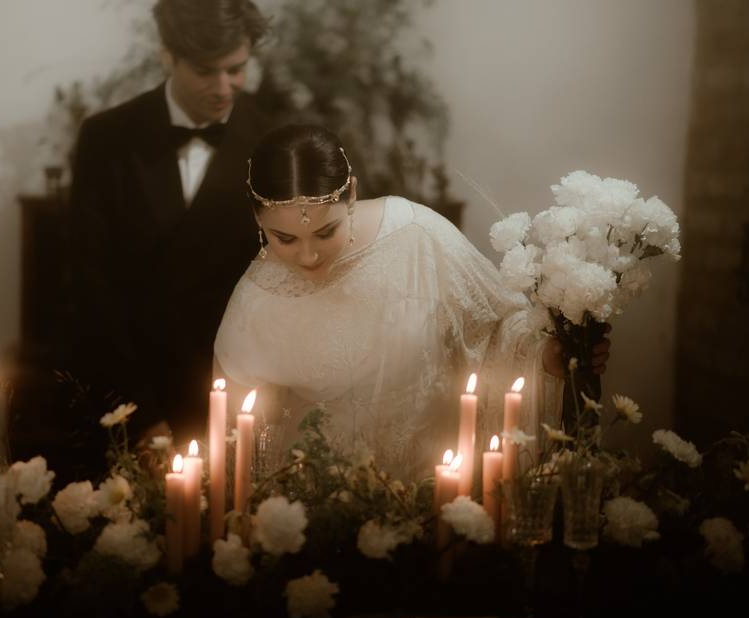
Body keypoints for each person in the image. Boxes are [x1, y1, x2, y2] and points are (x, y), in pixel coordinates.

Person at [214, 124, 610, 482]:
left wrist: (545, 357)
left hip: (434, 487)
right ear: (257, 217)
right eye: (284, 239)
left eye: (326, 231)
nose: (308, 256)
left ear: (351, 193)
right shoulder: (257, 298)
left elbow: (494, 328)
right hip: (320, 501)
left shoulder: (417, 235)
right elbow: (237, 434)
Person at [61, 0, 273, 473]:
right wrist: (139, 415)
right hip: (128, 393)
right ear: (167, 57)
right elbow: (90, 285)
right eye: (205, 71)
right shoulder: (106, 137)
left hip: (236, 397)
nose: (224, 88)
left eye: (235, 69)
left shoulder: (273, 140)